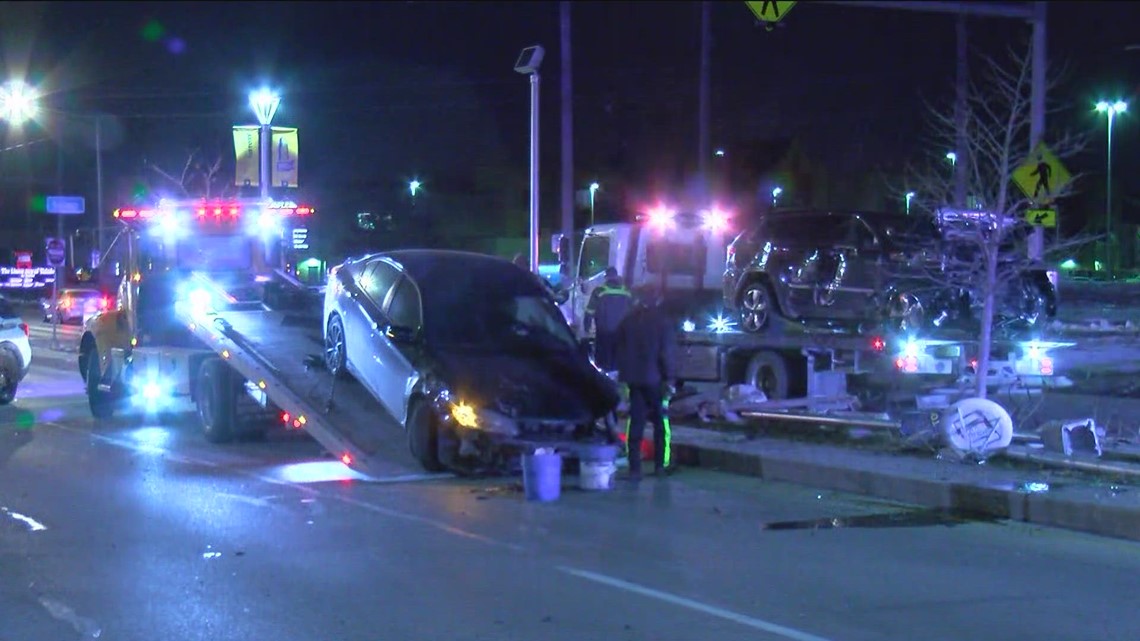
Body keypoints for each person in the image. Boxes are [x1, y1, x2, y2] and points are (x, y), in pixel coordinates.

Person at [614, 285, 678, 480]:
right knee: (661, 424)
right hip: (655, 380)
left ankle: (635, 468)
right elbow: (666, 354)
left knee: (636, 422)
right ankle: (661, 465)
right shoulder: (663, 322)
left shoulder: (628, 321)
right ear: (657, 299)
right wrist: (670, 379)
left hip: (634, 380)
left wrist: (624, 376)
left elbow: (619, 349)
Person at [584, 267, 632, 372]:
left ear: (606, 277)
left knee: (603, 365)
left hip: (604, 333)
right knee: (619, 365)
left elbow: (589, 312)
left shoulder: (599, 291)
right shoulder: (627, 292)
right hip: (622, 333)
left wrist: (586, 329)